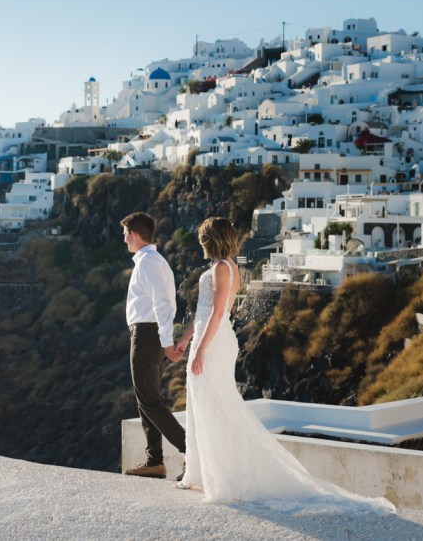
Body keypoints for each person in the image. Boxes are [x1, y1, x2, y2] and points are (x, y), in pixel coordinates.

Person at [174, 217, 393, 512]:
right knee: (204, 404)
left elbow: (215, 314)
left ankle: (220, 475)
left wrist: (199, 349)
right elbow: (202, 313)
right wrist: (186, 339)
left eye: (203, 237)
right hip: (207, 338)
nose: (199, 242)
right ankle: (199, 472)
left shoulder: (222, 268)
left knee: (217, 406)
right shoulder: (225, 267)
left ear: (212, 239)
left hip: (212, 342)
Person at [119, 212, 186, 479]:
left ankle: (192, 452)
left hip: (148, 335)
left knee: (149, 400)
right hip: (148, 335)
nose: (124, 240)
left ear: (135, 234)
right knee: (145, 400)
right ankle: (154, 461)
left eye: (125, 234)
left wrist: (167, 343)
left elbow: (163, 304)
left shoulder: (148, 263)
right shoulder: (153, 261)